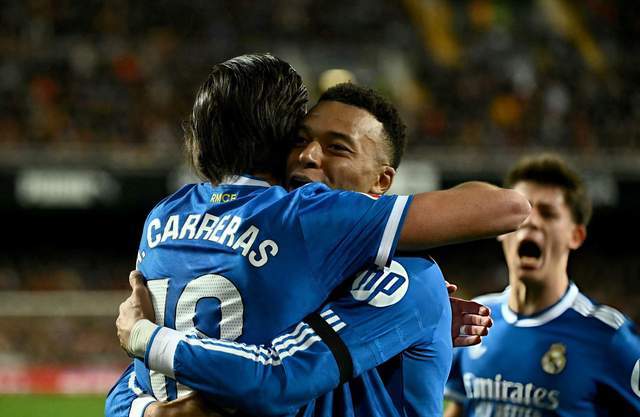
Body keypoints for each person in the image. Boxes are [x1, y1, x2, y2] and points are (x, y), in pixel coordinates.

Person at [106, 54, 528, 415]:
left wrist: (145, 340)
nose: (309, 156)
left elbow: (276, 378)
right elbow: (139, 379)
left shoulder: (404, 275)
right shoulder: (291, 263)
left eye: (337, 148)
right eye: (300, 140)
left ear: (381, 183)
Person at [444, 154, 640, 417]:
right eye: (521, 212)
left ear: (575, 235)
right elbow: (459, 407)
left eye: (548, 214)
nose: (532, 221)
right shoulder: (475, 318)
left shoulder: (609, 336)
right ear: (501, 228)